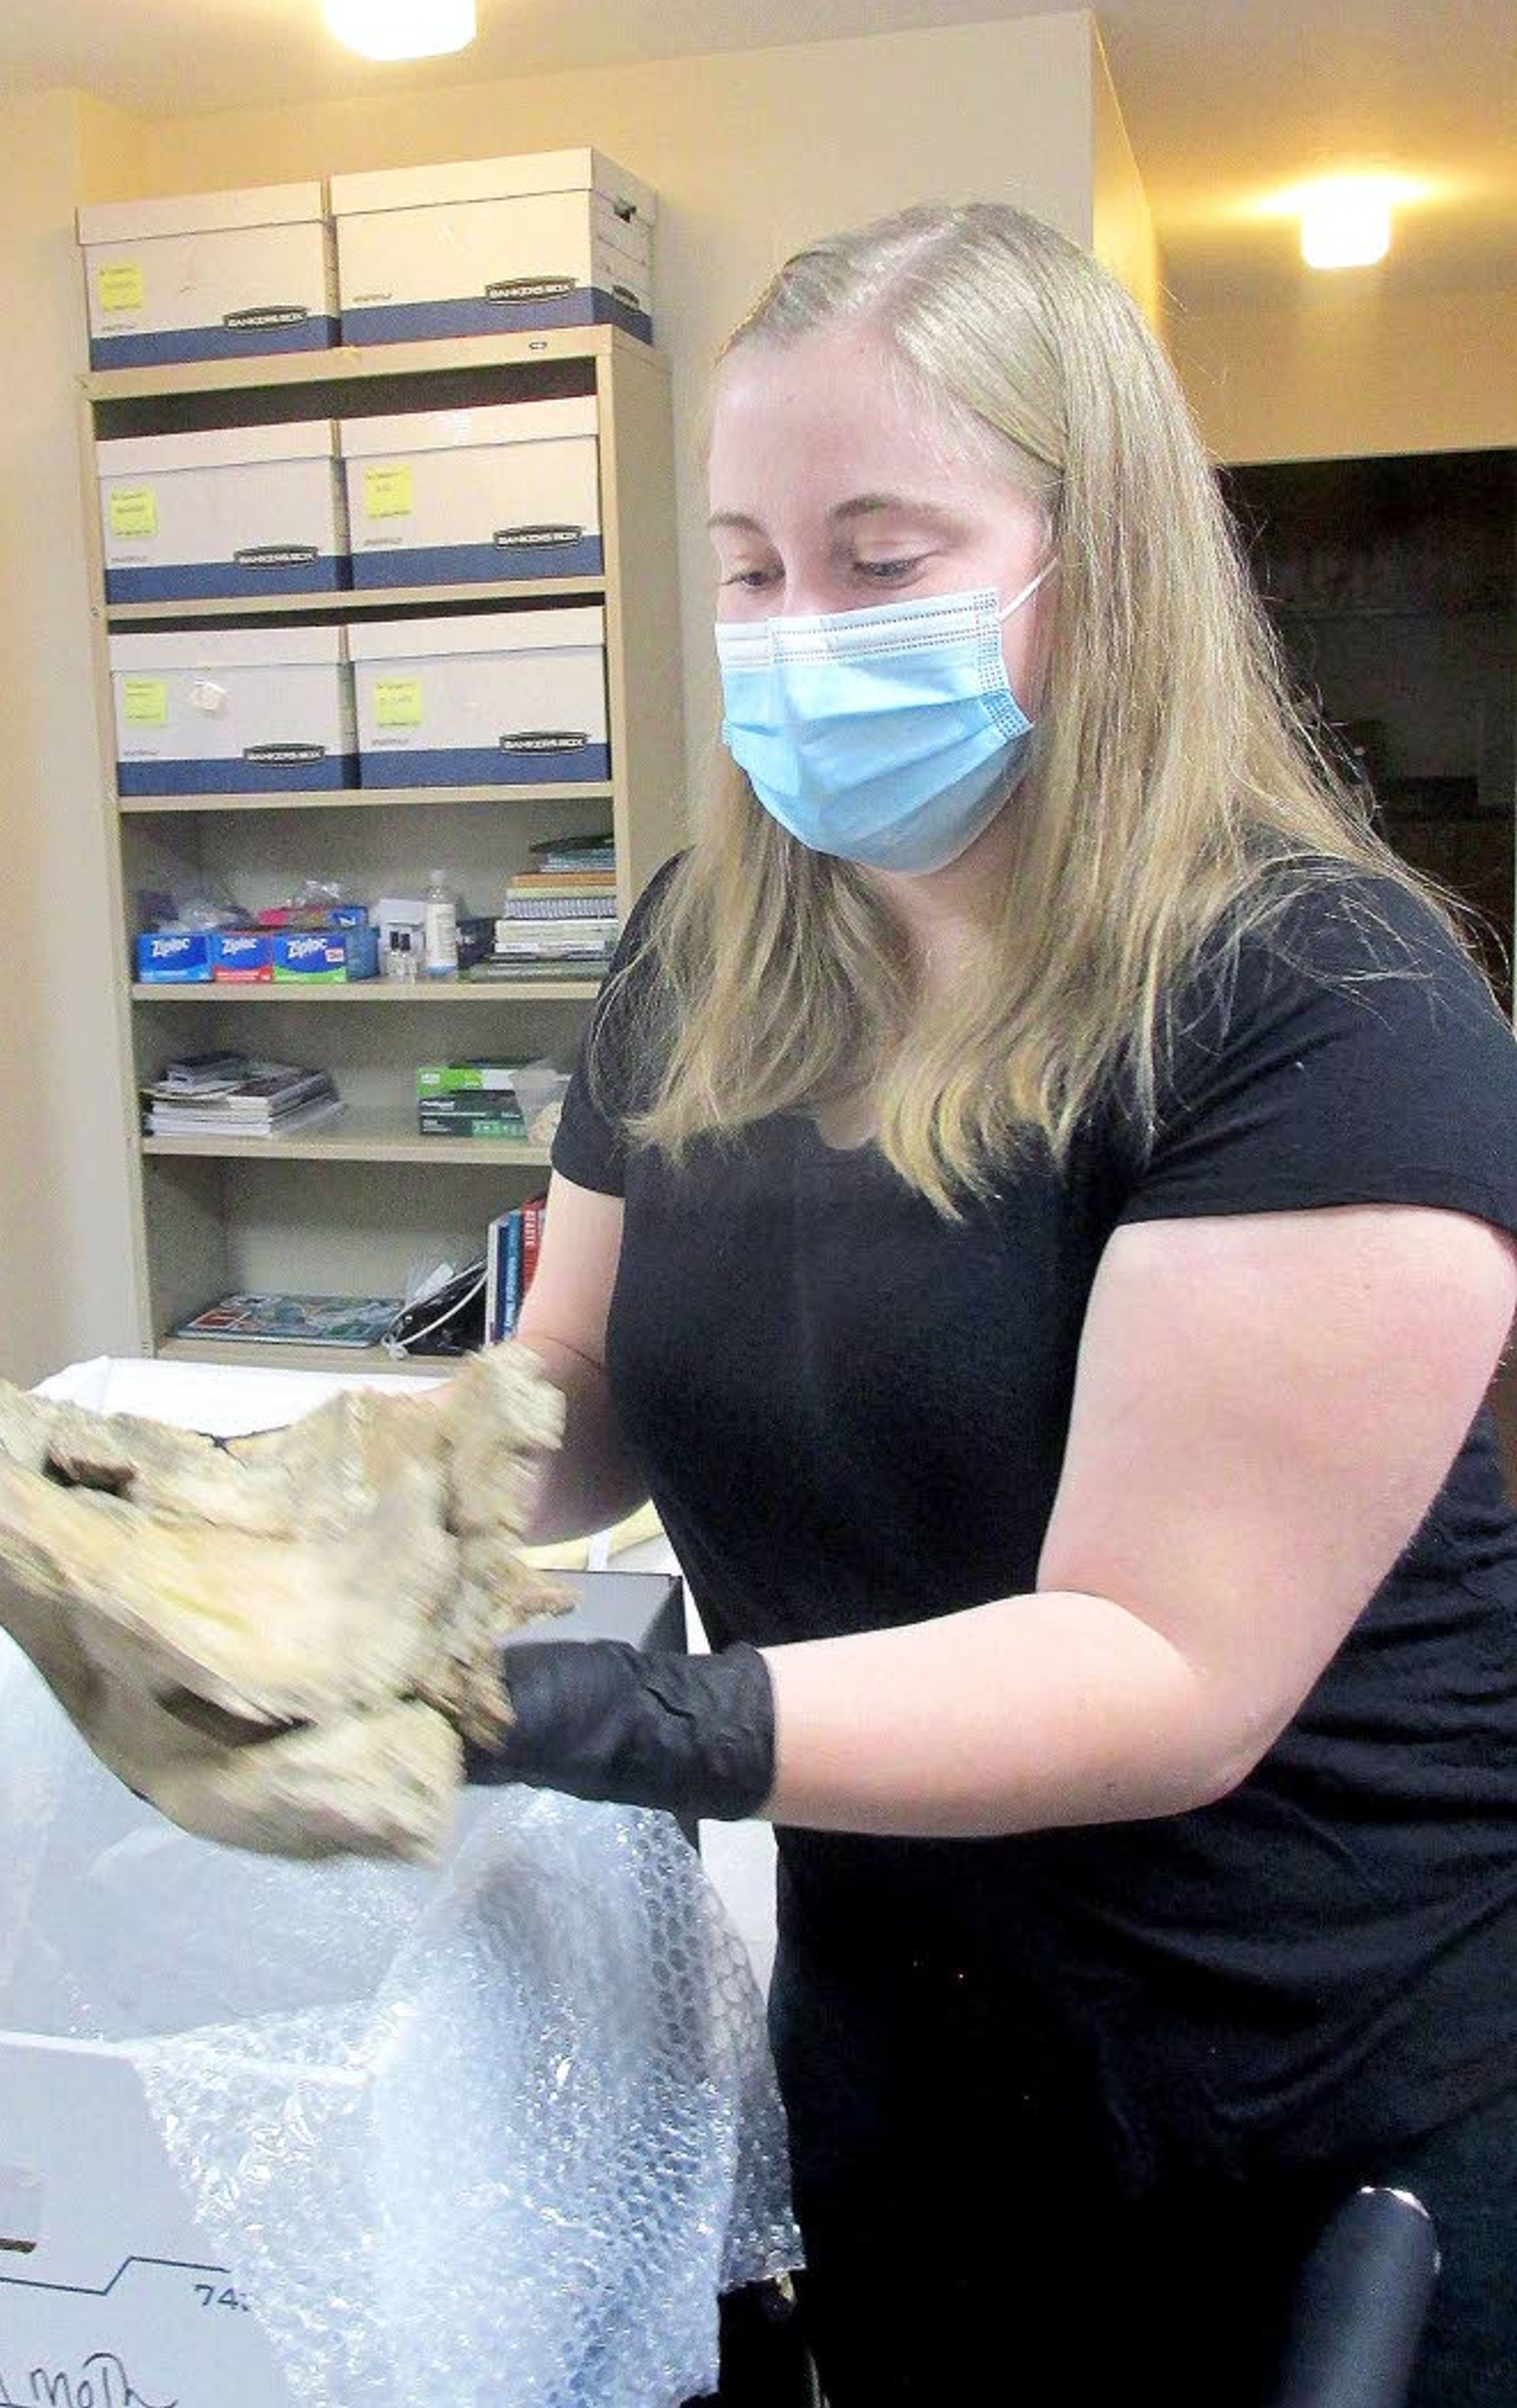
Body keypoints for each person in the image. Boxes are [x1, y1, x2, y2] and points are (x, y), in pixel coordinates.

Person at [466, 203, 1517, 2407]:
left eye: (882, 558)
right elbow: (573, 1397)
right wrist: (340, 1502)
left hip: (1289, 2090)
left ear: (1095, 571)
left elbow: (1164, 1670)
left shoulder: (1319, 995)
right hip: (907, 2040)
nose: (794, 631)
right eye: (749, 568)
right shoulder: (707, 945)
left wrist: (607, 1728)